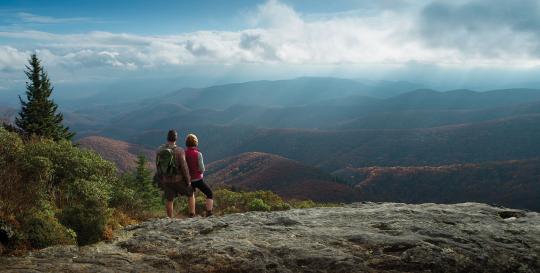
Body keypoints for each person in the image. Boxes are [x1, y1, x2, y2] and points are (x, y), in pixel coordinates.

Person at [155, 130, 196, 218]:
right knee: (190, 193)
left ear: (167, 138)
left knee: (169, 199)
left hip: (166, 179)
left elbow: (158, 165)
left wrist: (161, 178)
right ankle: (192, 215)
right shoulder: (179, 150)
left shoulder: (160, 150)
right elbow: (184, 167)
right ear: (176, 139)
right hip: (178, 179)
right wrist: (188, 181)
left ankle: (170, 218)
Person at [185, 133, 214, 217]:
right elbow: (202, 168)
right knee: (209, 193)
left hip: (189, 180)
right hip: (198, 179)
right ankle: (209, 212)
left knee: (191, 195)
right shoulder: (198, 154)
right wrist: (200, 172)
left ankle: (192, 214)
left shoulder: (183, 153)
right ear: (196, 143)